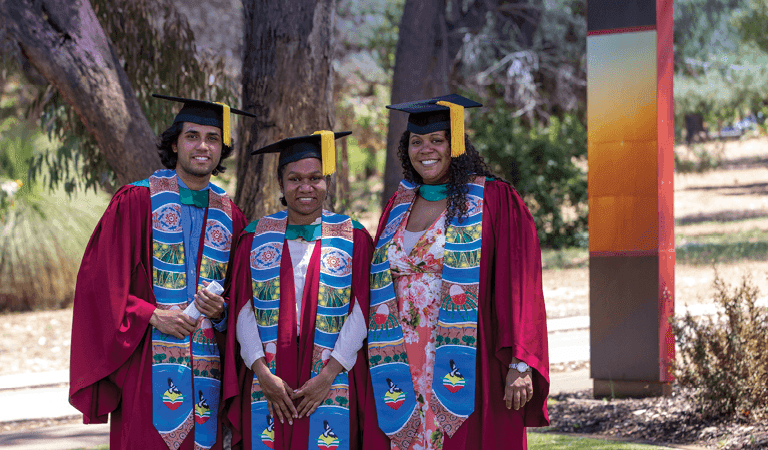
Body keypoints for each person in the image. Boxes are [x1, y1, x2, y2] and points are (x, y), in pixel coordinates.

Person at [363, 94, 550, 450]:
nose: (426, 149)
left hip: (465, 358)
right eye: (416, 142)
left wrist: (521, 361)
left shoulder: (493, 199)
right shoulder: (399, 204)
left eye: (437, 140)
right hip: (401, 360)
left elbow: (521, 283)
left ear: (456, 145)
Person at [69, 94, 251, 450]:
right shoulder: (137, 201)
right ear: (174, 143)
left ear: (221, 149)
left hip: (208, 369)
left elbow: (241, 296)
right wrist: (152, 315)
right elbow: (99, 282)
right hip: (146, 361)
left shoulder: (232, 215)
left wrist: (222, 310)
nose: (203, 146)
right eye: (192, 136)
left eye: (213, 138)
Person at [223, 131, 383, 450]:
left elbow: (363, 310)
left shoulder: (353, 237)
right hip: (268, 376)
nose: (305, 187)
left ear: (327, 182)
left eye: (315, 178)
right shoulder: (255, 237)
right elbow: (243, 309)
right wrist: (261, 372)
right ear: (281, 184)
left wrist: (329, 374)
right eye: (294, 178)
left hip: (333, 375)